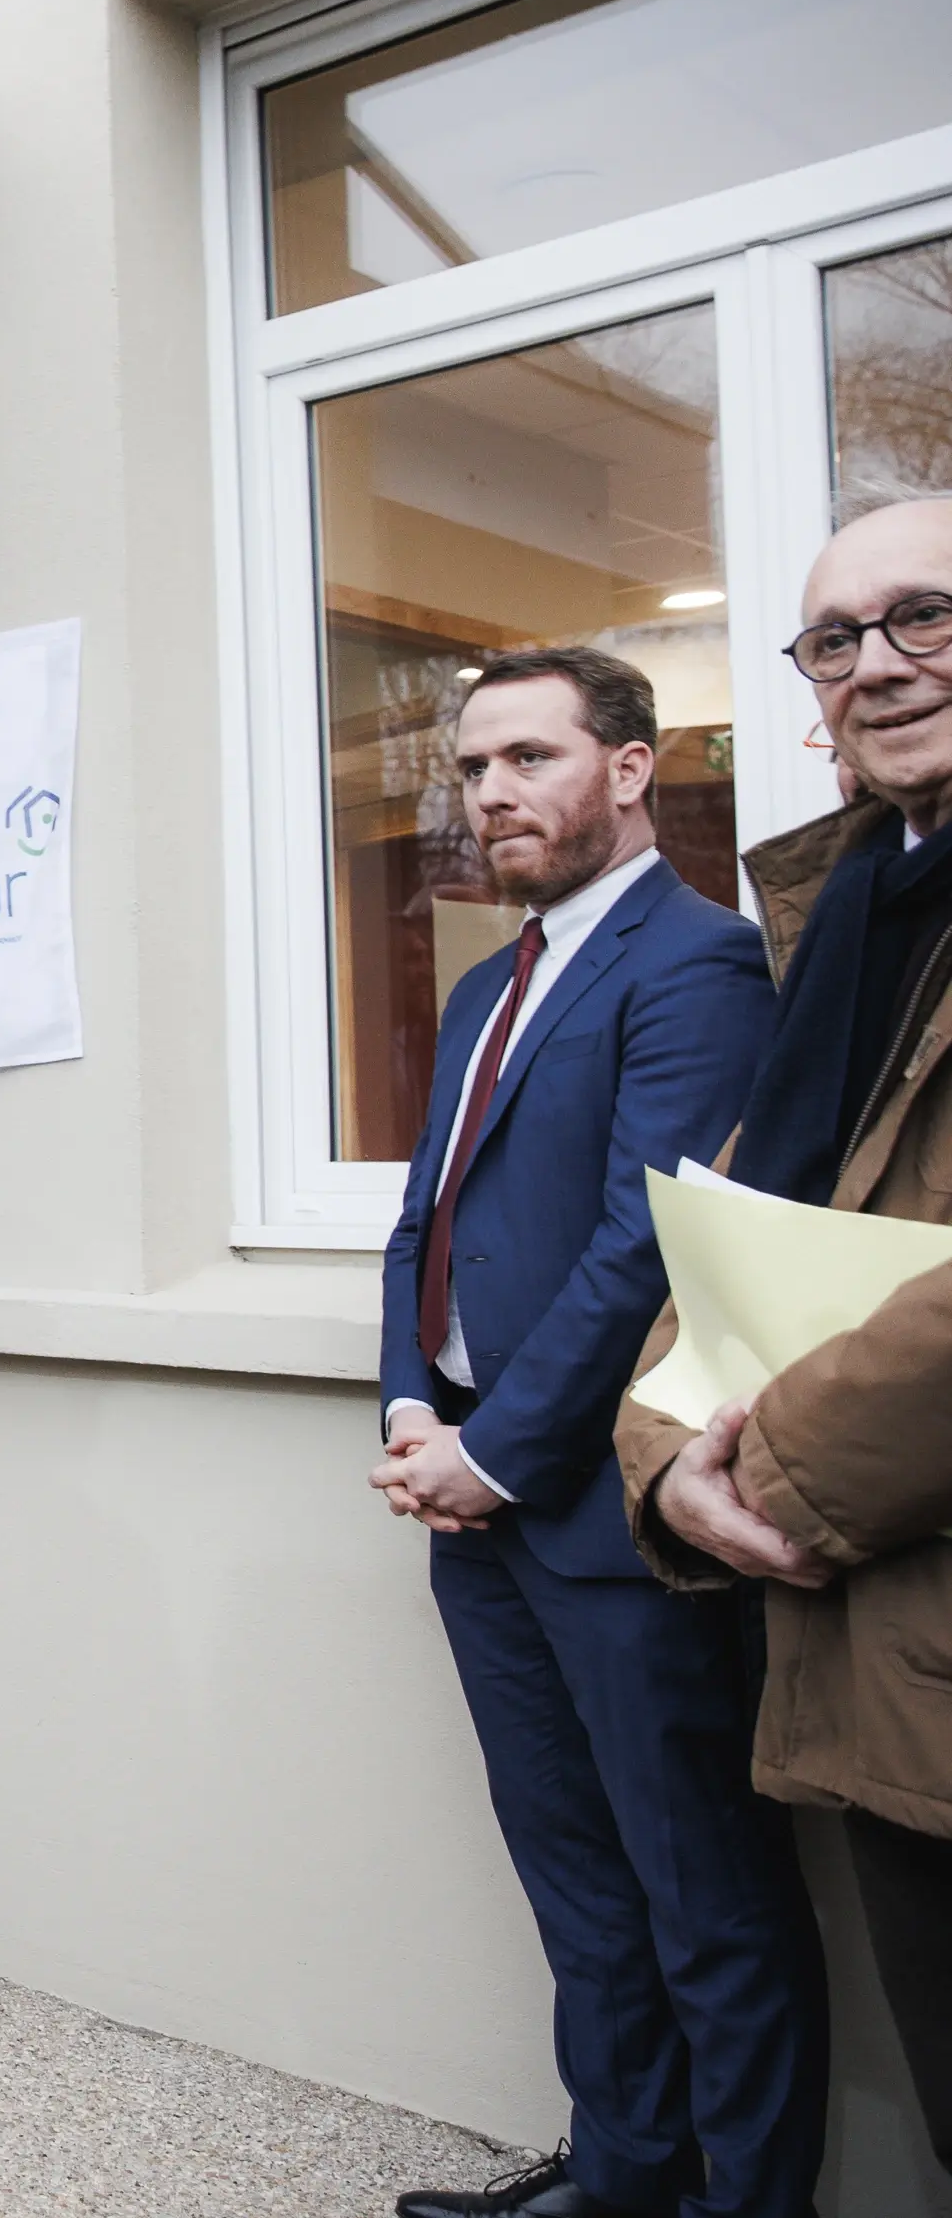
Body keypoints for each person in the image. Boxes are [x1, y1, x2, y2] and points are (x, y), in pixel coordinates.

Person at [364, 650, 813, 2218]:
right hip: (473, 1495)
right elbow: (425, 1216)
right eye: (475, 766)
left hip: (611, 1514)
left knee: (706, 1897)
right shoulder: (493, 978)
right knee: (576, 1879)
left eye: (531, 757)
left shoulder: (700, 966)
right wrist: (414, 1396)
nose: (492, 792)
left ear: (630, 770)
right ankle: (621, 2178)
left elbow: (650, 1242)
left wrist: (498, 1452)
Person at [617, 497, 952, 2186]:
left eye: (926, 617)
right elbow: (730, 1226)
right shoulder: (842, 919)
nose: (879, 666)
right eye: (836, 639)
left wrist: (770, 1466)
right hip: (885, 1662)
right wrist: (666, 1454)